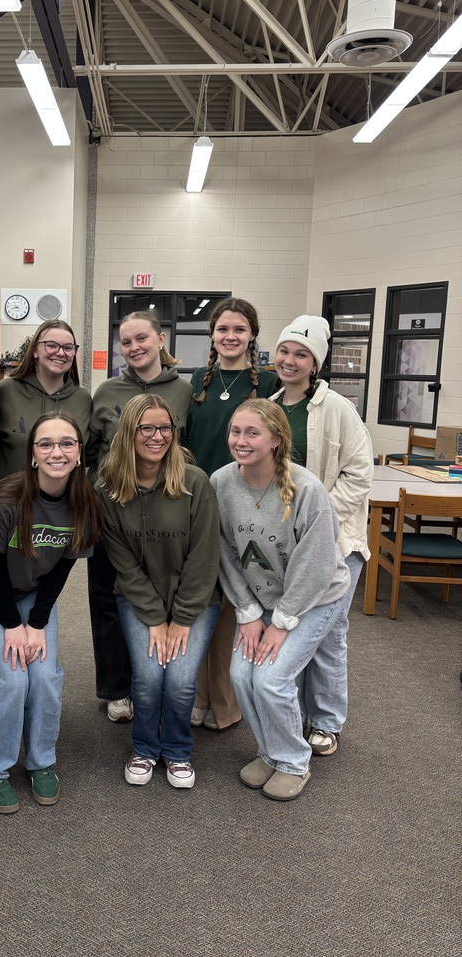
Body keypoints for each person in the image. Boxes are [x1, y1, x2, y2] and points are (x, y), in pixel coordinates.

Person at [0, 412, 102, 814]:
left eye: (67, 443)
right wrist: (11, 625)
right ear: (33, 454)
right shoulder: (7, 498)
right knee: (10, 679)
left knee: (46, 675)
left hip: (34, 591)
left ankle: (41, 761)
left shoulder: (85, 503)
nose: (57, 452)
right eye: (46, 444)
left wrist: (36, 623)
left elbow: (63, 567)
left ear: (79, 453)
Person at [210, 399, 350, 801]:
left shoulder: (307, 489)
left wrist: (282, 621)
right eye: (236, 431)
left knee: (271, 679)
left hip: (315, 598)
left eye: (252, 433)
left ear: (275, 440)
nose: (241, 440)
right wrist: (250, 613)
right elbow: (224, 551)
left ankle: (292, 761)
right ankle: (270, 753)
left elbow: (317, 564)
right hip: (260, 599)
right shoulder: (221, 483)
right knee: (241, 675)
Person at [97, 395, 220, 789]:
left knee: (181, 680)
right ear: (129, 433)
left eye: (165, 428)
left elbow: (204, 558)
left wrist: (181, 619)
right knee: (150, 677)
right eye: (146, 428)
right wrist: (154, 618)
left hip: (194, 598)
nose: (157, 436)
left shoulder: (194, 481)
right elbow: (123, 564)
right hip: (139, 597)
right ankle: (146, 748)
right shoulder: (109, 487)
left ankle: (177, 749)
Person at [271, 314, 373, 756]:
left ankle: (327, 721)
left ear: (316, 363)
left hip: (336, 541)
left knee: (329, 633)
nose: (290, 361)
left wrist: (319, 521)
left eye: (301, 354)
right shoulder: (272, 403)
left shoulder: (338, 409)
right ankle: (293, 712)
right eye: (285, 351)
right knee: (295, 630)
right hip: (286, 543)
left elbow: (359, 474)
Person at [86, 310, 193, 723]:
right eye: (125, 342)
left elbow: (188, 450)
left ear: (160, 339)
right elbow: (93, 450)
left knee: (155, 593)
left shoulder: (182, 392)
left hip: (165, 511)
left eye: (141, 338)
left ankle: (155, 679)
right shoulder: (107, 390)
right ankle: (116, 688)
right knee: (108, 597)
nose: (134, 347)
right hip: (111, 508)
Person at [187, 297, 276, 733]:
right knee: (202, 602)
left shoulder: (269, 384)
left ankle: (224, 702)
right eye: (223, 329)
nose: (230, 337)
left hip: (246, 507)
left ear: (252, 335)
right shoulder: (197, 382)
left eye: (239, 329)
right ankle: (198, 696)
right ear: (212, 334)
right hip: (199, 505)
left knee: (233, 608)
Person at [0, 318, 92, 482]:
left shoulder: (83, 399)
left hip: (63, 503)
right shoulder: (6, 391)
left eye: (68, 348)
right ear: (35, 351)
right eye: (51, 345)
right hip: (11, 500)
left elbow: (89, 452)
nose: (60, 353)